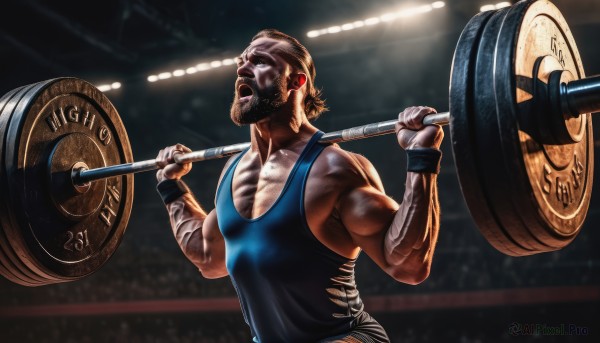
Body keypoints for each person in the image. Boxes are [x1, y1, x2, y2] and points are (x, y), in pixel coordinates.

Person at [155, 29, 443, 343]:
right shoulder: (232, 171)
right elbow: (209, 259)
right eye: (242, 61)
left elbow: (408, 265)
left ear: (297, 82)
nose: (242, 68)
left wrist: (421, 157)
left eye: (261, 61)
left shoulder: (333, 169)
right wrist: (171, 187)